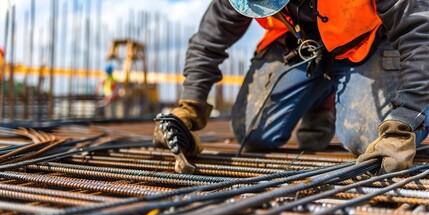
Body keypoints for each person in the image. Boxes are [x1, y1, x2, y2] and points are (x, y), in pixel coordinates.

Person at [154, 0, 429, 174]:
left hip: (362, 46)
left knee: (366, 141)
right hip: (300, 47)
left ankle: (339, 96)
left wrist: (406, 121)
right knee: (252, 135)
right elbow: (207, 41)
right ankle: (320, 100)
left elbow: (420, 36)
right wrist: (190, 106)